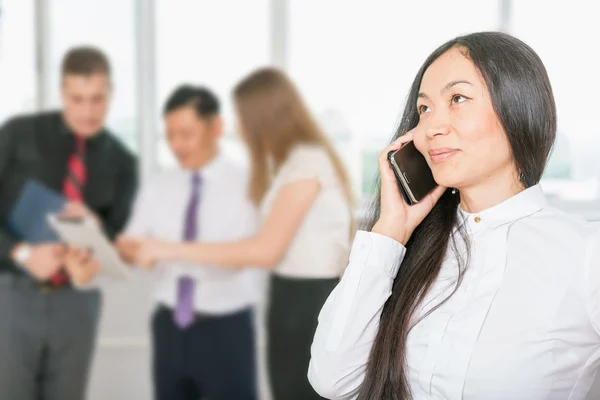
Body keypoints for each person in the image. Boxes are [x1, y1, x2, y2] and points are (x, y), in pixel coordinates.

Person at [307, 31, 600, 400]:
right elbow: (333, 380)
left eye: (458, 99)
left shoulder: (585, 254)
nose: (431, 127)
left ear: (519, 108)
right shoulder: (411, 248)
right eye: (424, 108)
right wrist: (389, 232)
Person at [120, 67, 355, 400]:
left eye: (244, 120)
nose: (240, 130)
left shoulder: (307, 162)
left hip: (309, 304)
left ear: (266, 119)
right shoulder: (289, 165)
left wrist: (168, 249)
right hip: (289, 299)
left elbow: (264, 250)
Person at [0, 46, 137, 400]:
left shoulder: (124, 163)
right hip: (13, 297)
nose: (88, 112)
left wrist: (96, 244)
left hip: (77, 305)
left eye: (97, 99)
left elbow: (113, 238)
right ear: (62, 92)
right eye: (77, 99)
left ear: (111, 95)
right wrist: (22, 253)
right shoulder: (17, 135)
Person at [117, 85, 263, 400]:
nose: (176, 145)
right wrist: (131, 250)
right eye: (169, 135)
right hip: (169, 327)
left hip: (226, 330)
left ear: (216, 128)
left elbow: (240, 256)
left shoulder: (248, 183)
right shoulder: (159, 185)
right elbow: (132, 241)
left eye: (186, 133)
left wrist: (165, 250)